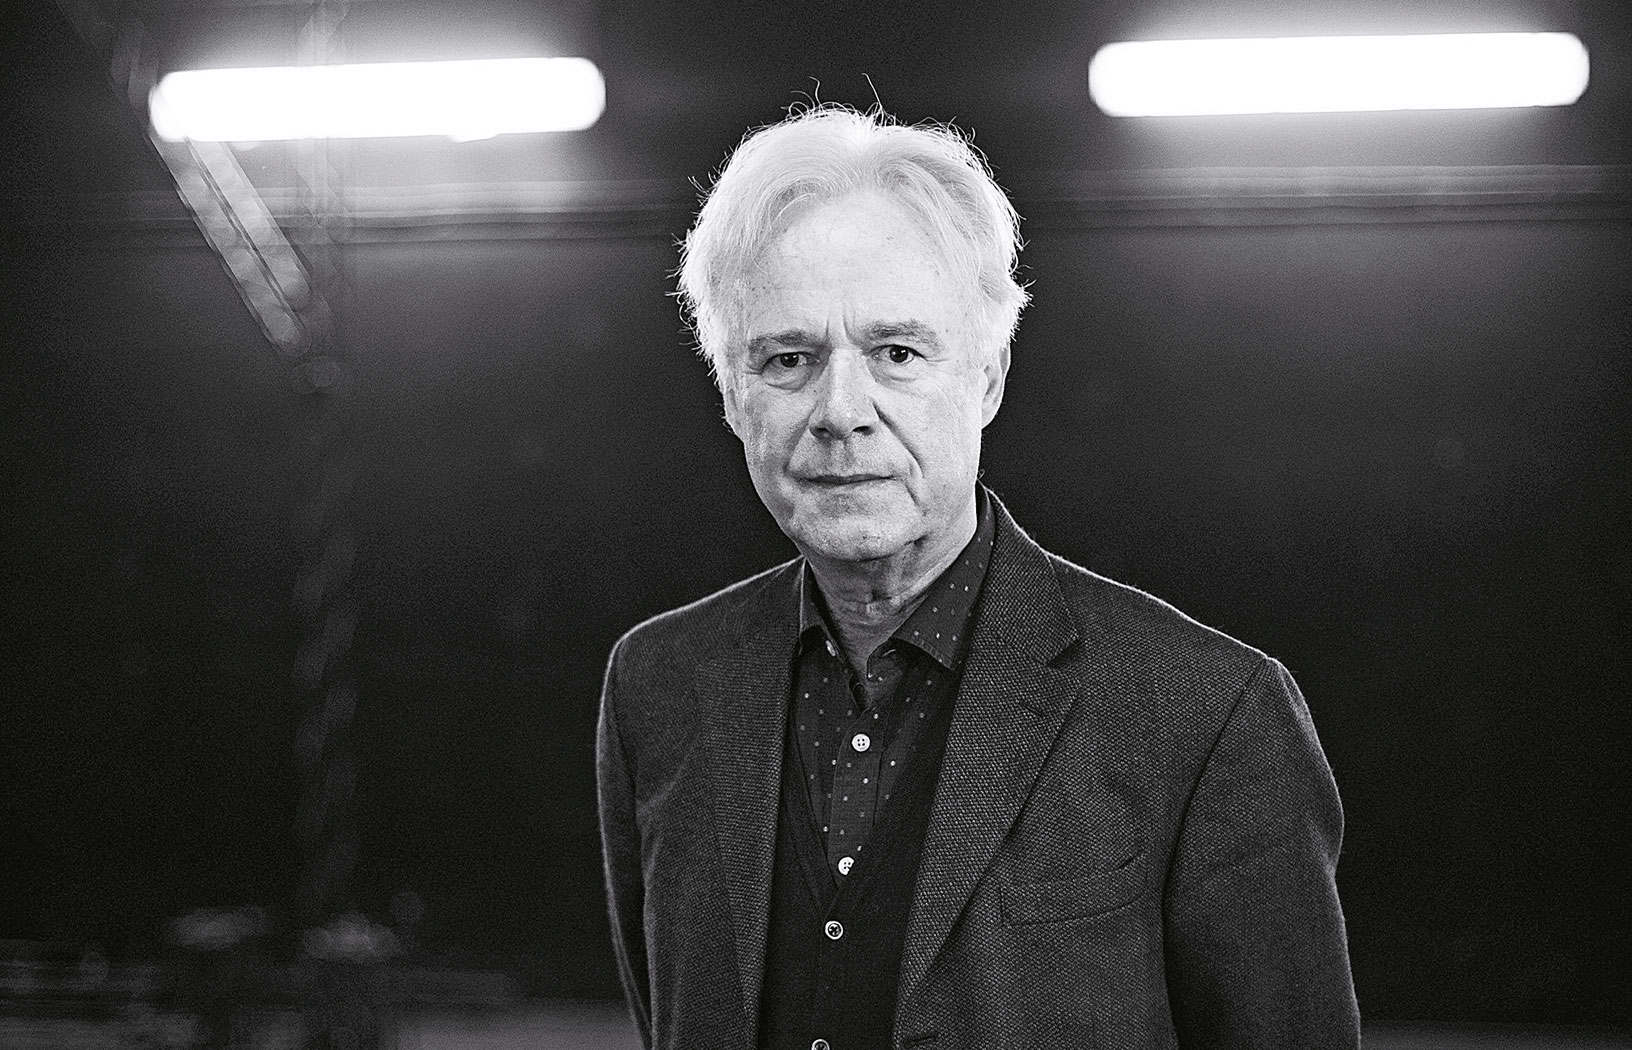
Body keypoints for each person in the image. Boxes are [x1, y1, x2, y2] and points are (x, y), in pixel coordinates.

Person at [596, 105, 1360, 1050]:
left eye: (897, 353)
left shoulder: (1208, 714)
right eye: (789, 359)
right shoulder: (658, 685)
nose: (841, 411)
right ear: (731, 394)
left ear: (989, 377)